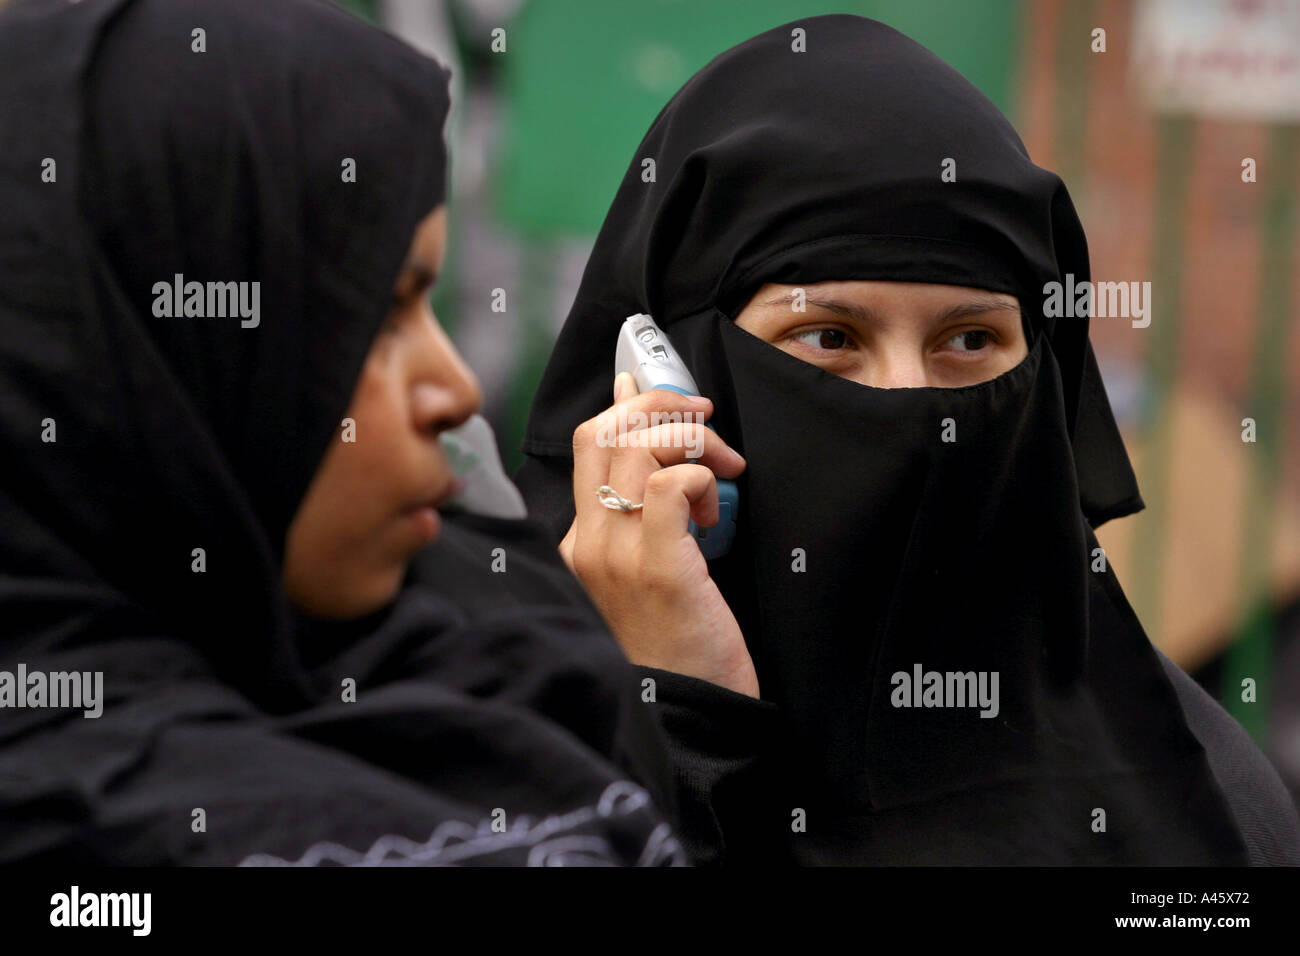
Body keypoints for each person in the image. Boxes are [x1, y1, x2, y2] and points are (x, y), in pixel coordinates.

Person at [514, 14, 1300, 865]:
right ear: (676, 376)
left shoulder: (1206, 809)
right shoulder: (502, 755)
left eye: (970, 341)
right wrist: (676, 715)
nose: (911, 401)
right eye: (828, 337)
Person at [0, 0, 683, 866]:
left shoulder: (491, 645)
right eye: (376, 316)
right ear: (140, 360)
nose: (454, 388)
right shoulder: (93, 826)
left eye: (430, 306)